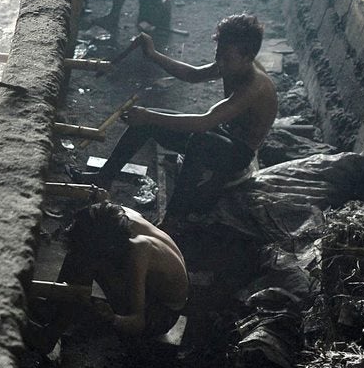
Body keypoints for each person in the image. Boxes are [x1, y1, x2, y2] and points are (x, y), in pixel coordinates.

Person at [88, 14, 278, 221]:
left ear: (248, 58)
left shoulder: (254, 86)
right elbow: (193, 75)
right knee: (148, 122)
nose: (219, 63)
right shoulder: (233, 61)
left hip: (238, 153)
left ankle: (172, 220)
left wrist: (149, 116)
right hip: (222, 135)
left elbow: (204, 122)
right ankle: (103, 178)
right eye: (218, 54)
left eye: (226, 59)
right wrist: (153, 54)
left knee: (198, 140)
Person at [55, 201, 188, 339]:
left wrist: (113, 318)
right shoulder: (116, 215)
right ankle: (64, 301)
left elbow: (137, 321)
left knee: (88, 261)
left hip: (163, 312)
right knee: (81, 254)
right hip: (161, 279)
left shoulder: (139, 251)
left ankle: (64, 315)